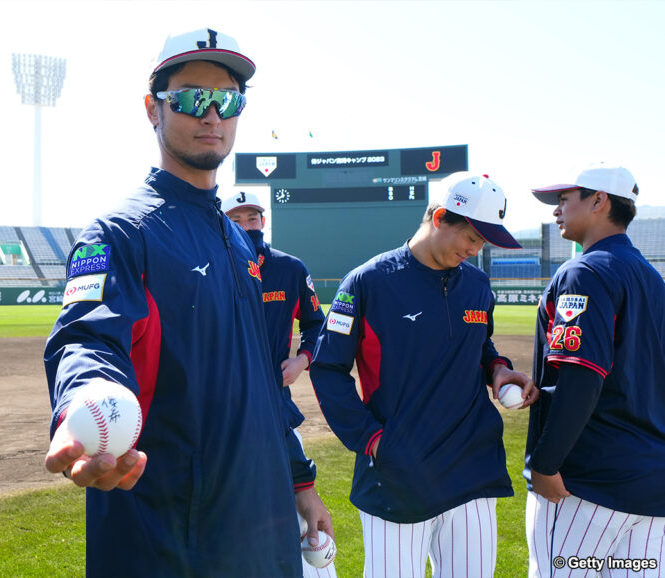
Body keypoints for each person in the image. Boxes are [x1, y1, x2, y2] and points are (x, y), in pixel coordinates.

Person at [44, 28, 311, 577]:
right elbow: (87, 337)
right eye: (192, 98)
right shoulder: (120, 233)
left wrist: (299, 482)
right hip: (171, 538)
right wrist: (87, 397)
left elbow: (258, 381)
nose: (213, 115)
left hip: (262, 528)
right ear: (153, 109)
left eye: (228, 100)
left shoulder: (238, 241)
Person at [310, 172, 537, 578]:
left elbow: (478, 346)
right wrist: (374, 441)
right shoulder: (368, 282)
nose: (475, 249)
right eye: (471, 236)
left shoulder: (479, 286)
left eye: (483, 241)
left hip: (472, 469)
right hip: (399, 474)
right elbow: (328, 369)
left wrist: (498, 369)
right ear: (440, 218)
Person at [524, 162, 665, 577]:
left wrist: (546, 464)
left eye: (564, 199)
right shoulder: (653, 279)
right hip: (651, 487)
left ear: (599, 201)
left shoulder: (585, 271)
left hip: (586, 485)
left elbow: (582, 377)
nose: (556, 210)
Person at [222, 190, 338, 578]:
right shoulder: (212, 267)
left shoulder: (289, 269)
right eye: (236, 220)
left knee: (302, 525)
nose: (245, 226)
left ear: (263, 222)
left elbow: (316, 324)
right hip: (223, 415)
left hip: (277, 407)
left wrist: (302, 359)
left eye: (252, 218)